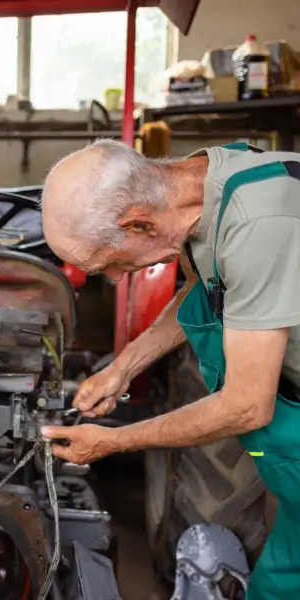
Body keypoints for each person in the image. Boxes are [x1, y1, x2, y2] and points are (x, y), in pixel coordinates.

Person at [39, 139, 300, 600]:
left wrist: (115, 441)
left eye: (112, 263)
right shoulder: (196, 189)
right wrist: (123, 367)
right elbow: (210, 285)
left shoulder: (258, 223)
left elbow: (245, 407)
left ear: (138, 222)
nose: (118, 277)